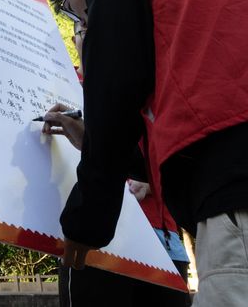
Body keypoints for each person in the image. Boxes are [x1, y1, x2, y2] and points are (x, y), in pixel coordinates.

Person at [46, 0, 248, 306]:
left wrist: (85, 220)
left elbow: (114, 84)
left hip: (234, 187)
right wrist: (96, 141)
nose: (84, 26)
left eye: (75, 14)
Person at [42, 20, 190, 306]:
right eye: (85, 30)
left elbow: (179, 152)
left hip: (164, 242)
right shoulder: (56, 88)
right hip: (91, 241)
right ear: (74, 41)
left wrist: (151, 180)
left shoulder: (149, 85)